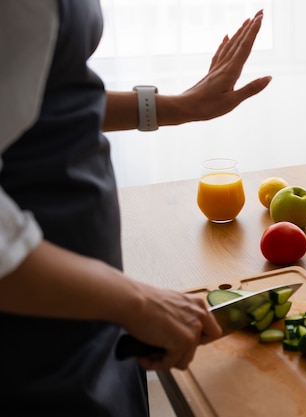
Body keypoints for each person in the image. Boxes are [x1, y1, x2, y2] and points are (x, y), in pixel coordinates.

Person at [0, 1, 271, 416]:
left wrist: (182, 107)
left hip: (90, 300)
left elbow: (43, 99)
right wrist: (134, 300)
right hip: (32, 329)